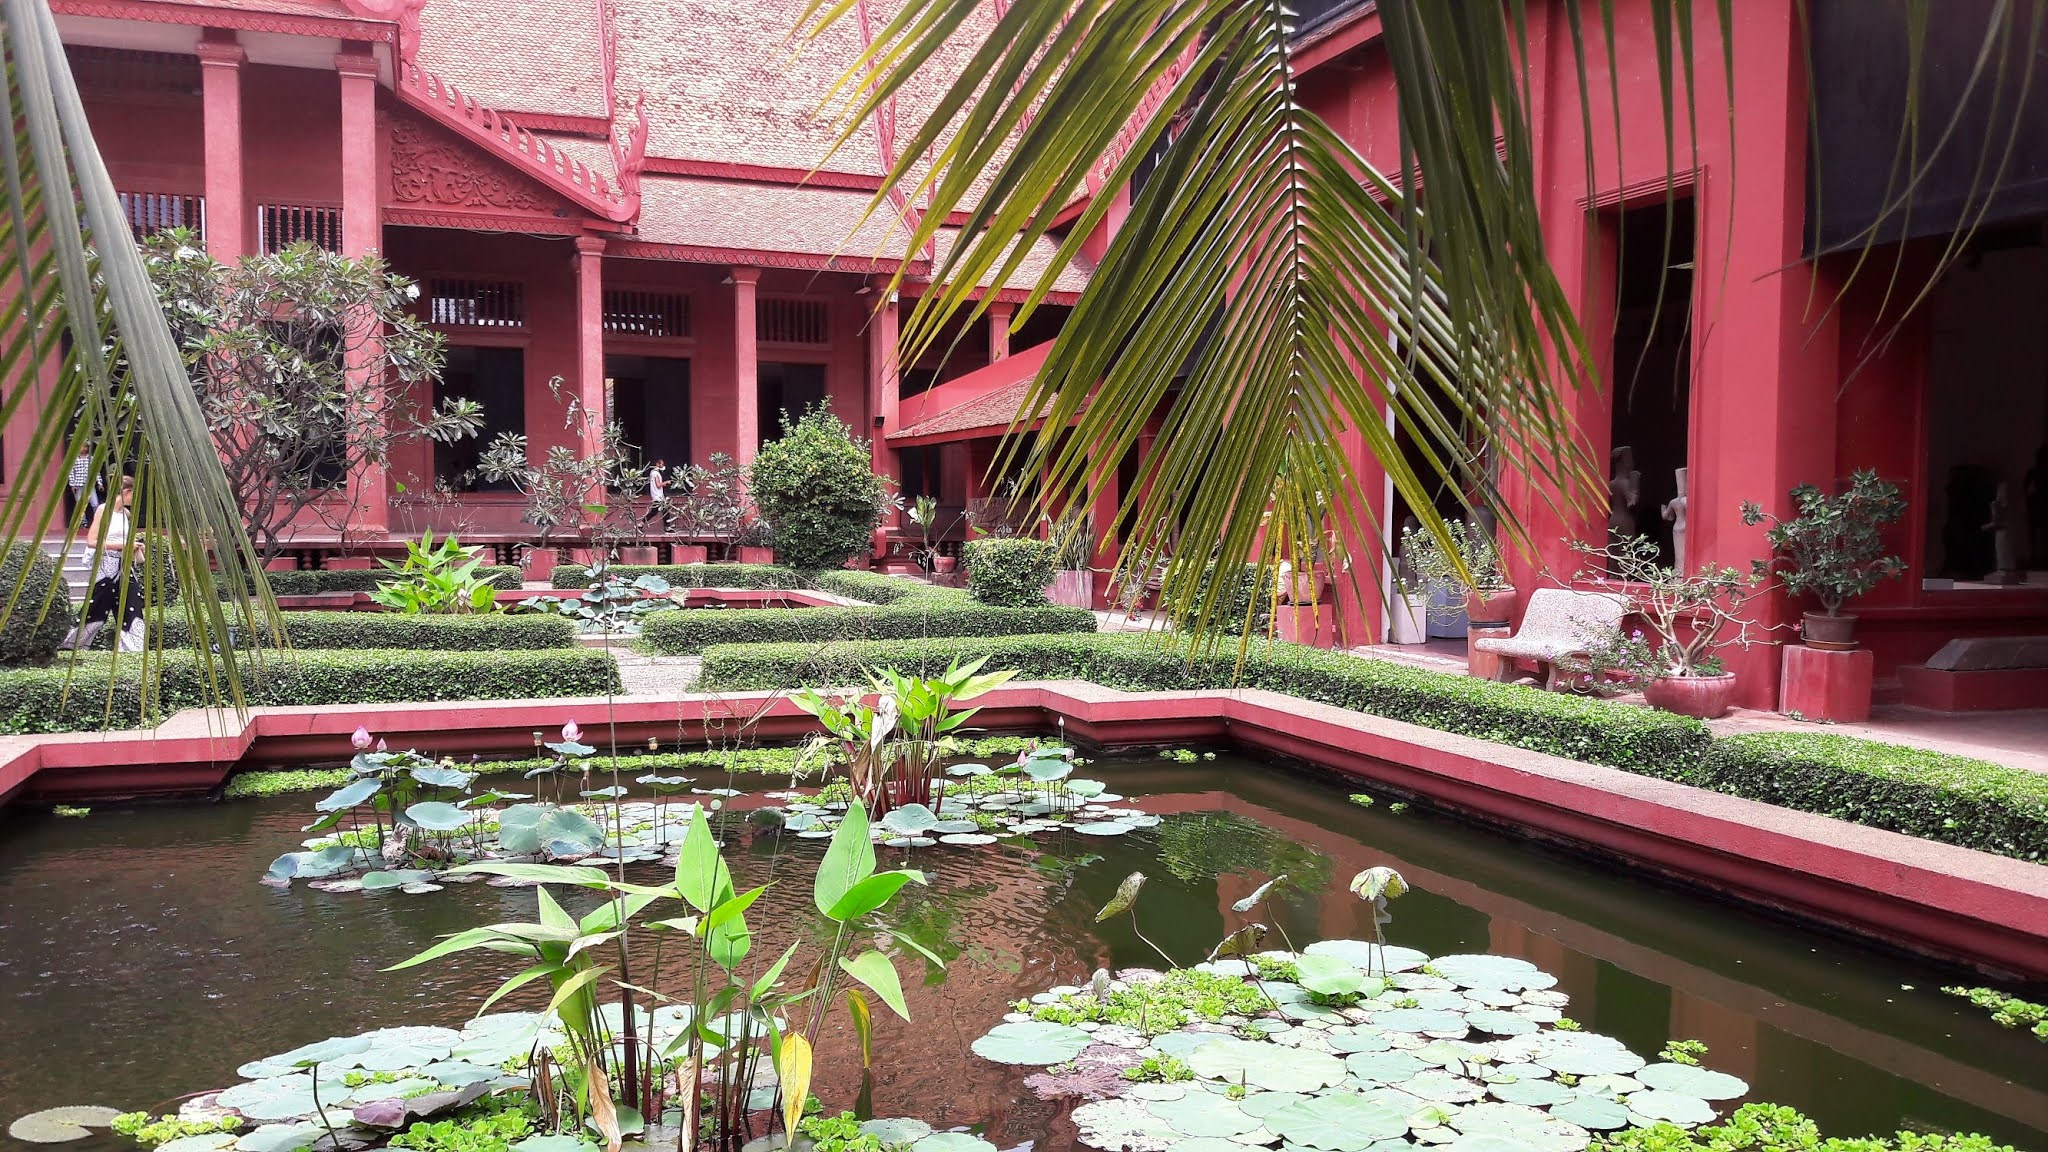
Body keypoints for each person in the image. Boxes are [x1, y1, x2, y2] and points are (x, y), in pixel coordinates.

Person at [58, 475, 146, 652]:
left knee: (132, 602)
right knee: (96, 607)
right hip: (105, 566)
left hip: (123, 566)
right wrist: (123, 545)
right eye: (133, 495)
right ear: (127, 492)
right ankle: (70, 645)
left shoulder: (126, 514)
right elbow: (92, 541)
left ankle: (133, 649)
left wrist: (134, 545)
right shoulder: (102, 510)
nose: (134, 499)